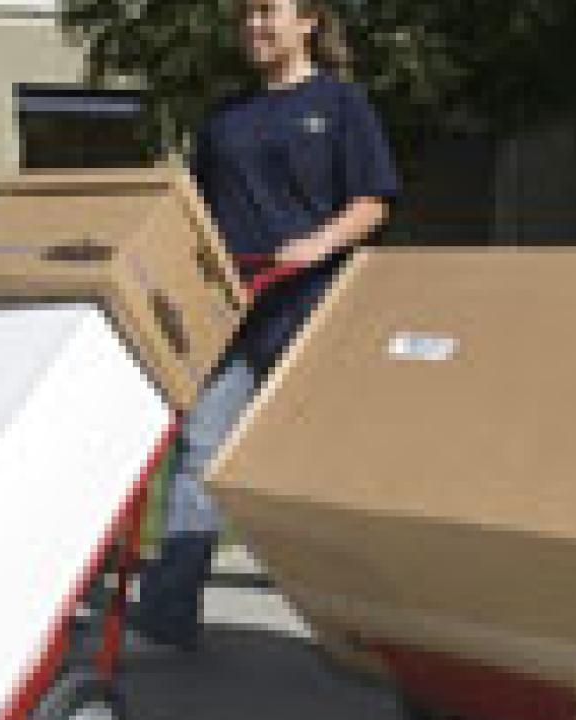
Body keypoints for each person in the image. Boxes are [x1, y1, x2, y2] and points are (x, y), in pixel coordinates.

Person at [133, 0, 400, 650]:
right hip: (232, 317)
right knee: (198, 457)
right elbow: (194, 215)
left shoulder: (341, 106)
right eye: (246, 15)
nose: (254, 26)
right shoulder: (227, 119)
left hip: (306, 310)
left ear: (308, 21)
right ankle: (168, 620)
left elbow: (374, 202)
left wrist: (317, 244)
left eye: (267, 12)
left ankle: (364, 627)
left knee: (312, 469)